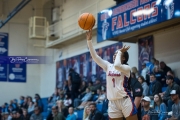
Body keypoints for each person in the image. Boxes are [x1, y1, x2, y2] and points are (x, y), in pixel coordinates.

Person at [86, 29, 137, 120]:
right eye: (114, 54)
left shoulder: (126, 68)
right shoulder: (108, 66)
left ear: (123, 58)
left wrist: (120, 51)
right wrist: (89, 41)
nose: (114, 55)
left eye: (117, 54)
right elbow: (95, 57)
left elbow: (117, 65)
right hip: (112, 102)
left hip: (125, 100)